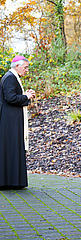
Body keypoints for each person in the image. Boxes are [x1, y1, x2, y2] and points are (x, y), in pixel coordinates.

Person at [0, 55, 35, 189]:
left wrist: (26, 94)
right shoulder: (10, 77)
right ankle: (10, 181)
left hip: (11, 118)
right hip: (9, 120)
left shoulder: (11, 77)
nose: (26, 70)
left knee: (12, 147)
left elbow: (12, 96)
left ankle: (12, 181)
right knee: (11, 147)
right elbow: (10, 98)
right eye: (25, 67)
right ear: (17, 66)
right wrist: (26, 96)